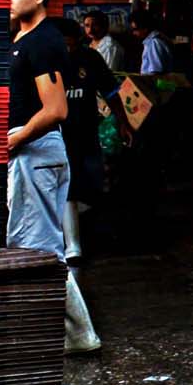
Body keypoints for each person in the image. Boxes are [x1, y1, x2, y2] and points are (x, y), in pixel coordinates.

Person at [10, 0, 99, 355]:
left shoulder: (43, 41)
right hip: (28, 152)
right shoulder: (22, 38)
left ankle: (80, 335)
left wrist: (17, 138)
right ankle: (67, 334)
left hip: (36, 152)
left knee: (40, 251)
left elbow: (56, 109)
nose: (7, 0)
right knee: (32, 247)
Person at [52, 15, 122, 265]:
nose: (67, 50)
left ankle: (78, 231)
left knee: (92, 185)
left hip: (86, 133)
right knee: (67, 187)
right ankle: (73, 246)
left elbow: (111, 92)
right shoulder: (41, 61)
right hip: (54, 137)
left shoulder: (90, 59)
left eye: (71, 45)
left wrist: (122, 123)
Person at [131, 8, 173, 76]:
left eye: (135, 29)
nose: (133, 33)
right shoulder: (156, 40)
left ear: (145, 28)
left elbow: (155, 71)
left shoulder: (153, 43)